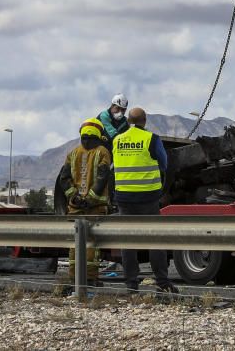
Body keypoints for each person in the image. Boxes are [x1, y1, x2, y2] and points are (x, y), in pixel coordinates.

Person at [112, 107, 177, 294]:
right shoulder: (151, 139)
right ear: (144, 121)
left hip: (124, 197)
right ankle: (162, 282)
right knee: (154, 239)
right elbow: (164, 164)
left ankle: (131, 283)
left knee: (128, 241)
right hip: (148, 196)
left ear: (129, 121)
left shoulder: (117, 140)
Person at [57, 118, 111, 288]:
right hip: (94, 208)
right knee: (91, 244)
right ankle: (89, 278)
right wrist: (89, 199)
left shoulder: (73, 153)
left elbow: (64, 179)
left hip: (74, 208)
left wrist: (74, 197)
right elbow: (102, 177)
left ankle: (74, 277)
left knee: (75, 243)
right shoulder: (103, 151)